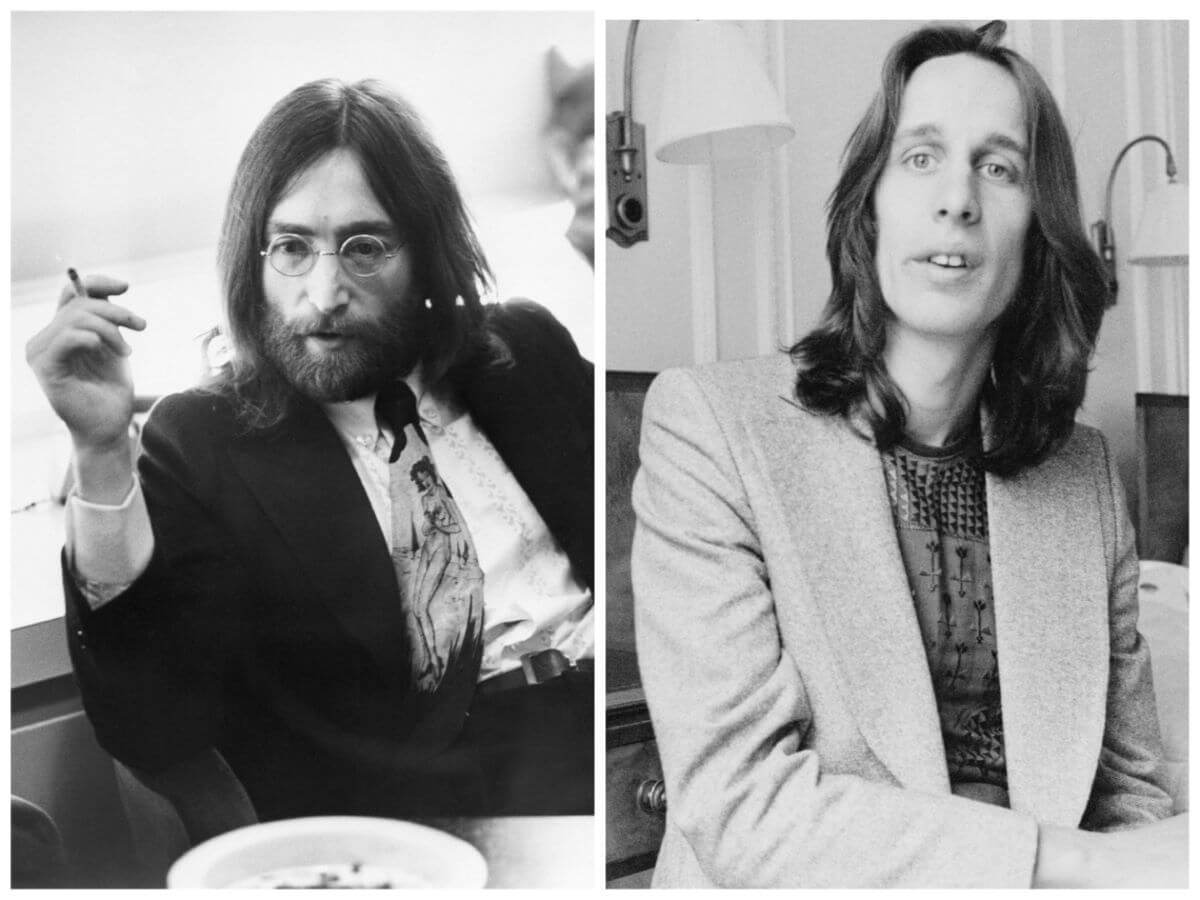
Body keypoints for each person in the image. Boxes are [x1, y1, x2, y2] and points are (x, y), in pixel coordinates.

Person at [631, 21, 1184, 889]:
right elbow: (741, 809)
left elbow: (1134, 796)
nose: (957, 198)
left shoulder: (1083, 478)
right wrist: (1066, 863)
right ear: (870, 205)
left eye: (998, 167)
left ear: (1040, 231)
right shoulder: (710, 427)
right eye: (921, 157)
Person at [26, 78, 593, 822]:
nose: (325, 293)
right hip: (445, 815)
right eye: (292, 247)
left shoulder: (524, 350)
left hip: (621, 726)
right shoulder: (205, 442)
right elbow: (154, 723)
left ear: (425, 253)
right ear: (252, 264)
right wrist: (99, 451)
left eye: (364, 247)